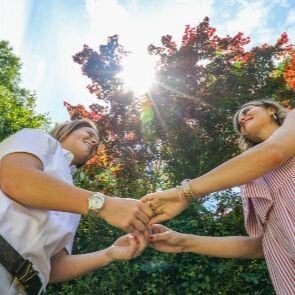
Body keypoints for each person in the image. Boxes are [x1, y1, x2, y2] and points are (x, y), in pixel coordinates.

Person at [142, 99, 295, 295]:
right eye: (239, 122)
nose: (241, 118)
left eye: (247, 110)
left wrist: (184, 192)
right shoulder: (251, 181)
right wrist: (184, 242)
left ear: (271, 109)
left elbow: (273, 152)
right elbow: (265, 244)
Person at [0, 119, 151, 295]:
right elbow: (15, 180)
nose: (94, 142)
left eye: (96, 144)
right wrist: (104, 205)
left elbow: (54, 266)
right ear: (66, 130)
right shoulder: (40, 139)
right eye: (89, 132)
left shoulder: (76, 198)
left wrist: (109, 254)